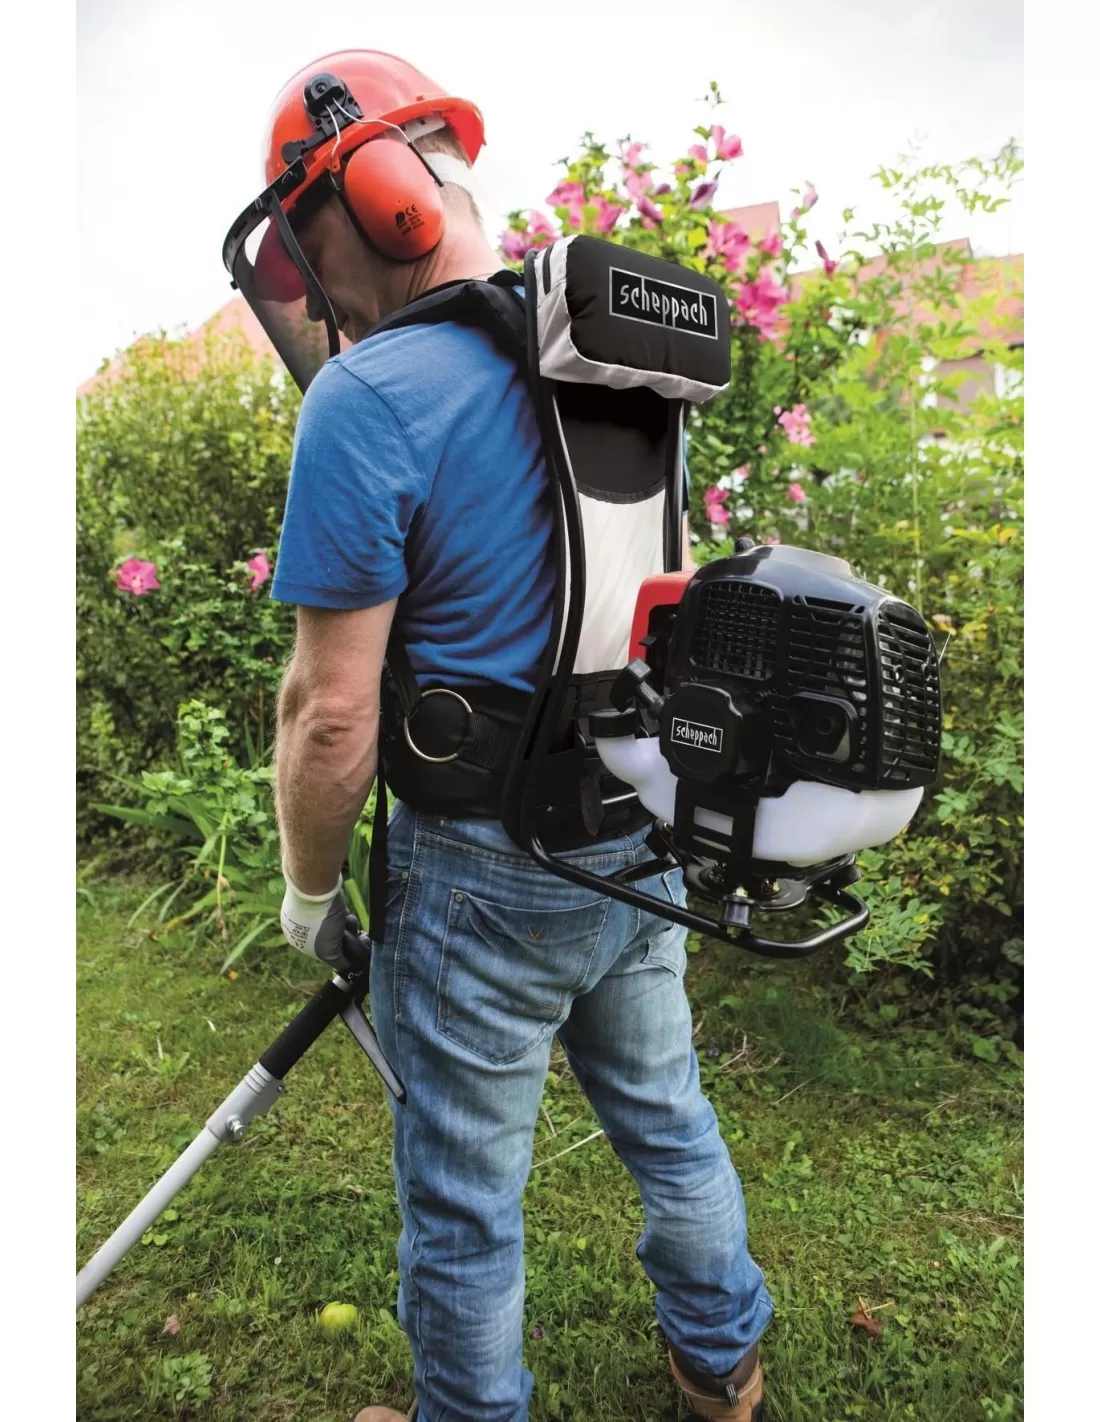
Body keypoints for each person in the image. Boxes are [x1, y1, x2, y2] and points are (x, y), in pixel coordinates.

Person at [249, 48, 772, 1422]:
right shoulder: (621, 368)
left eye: (309, 252)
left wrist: (309, 892)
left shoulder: (368, 397)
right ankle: (723, 1363)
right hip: (633, 821)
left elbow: (330, 713)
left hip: (480, 864)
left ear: (382, 200)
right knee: (666, 1113)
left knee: (465, 1196)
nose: (315, 292)